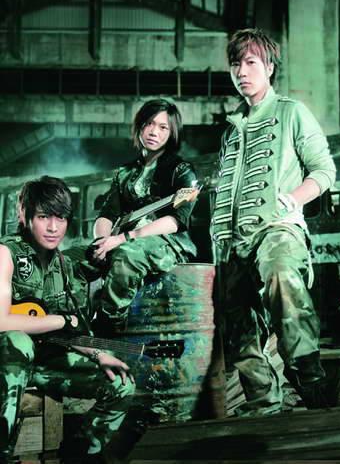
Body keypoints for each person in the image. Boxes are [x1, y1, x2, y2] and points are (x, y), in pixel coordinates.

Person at [210, 28, 340, 415]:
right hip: (230, 242)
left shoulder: (291, 112)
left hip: (278, 228)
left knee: (282, 276)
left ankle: (312, 383)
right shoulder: (230, 129)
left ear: (269, 67)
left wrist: (294, 198)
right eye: (235, 64)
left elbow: (324, 170)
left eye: (251, 62)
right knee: (237, 325)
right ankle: (264, 403)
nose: (242, 71)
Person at [0, 176, 134, 464]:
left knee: (121, 384)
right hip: (8, 361)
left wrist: (98, 354)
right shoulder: (5, 253)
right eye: (43, 217)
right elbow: (2, 321)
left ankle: (79, 456)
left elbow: (72, 328)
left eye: (60, 218)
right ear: (25, 215)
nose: (53, 227)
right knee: (18, 340)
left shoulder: (63, 264)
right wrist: (59, 321)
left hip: (45, 363)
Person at [91, 98, 198, 332]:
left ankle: (109, 327)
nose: (154, 132)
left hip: (169, 243)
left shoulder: (183, 171)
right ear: (140, 126)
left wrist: (123, 238)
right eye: (149, 123)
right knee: (78, 258)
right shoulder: (125, 173)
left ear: (172, 133)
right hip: (123, 238)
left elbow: (176, 221)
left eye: (163, 127)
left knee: (127, 255)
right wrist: (101, 241)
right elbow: (107, 214)